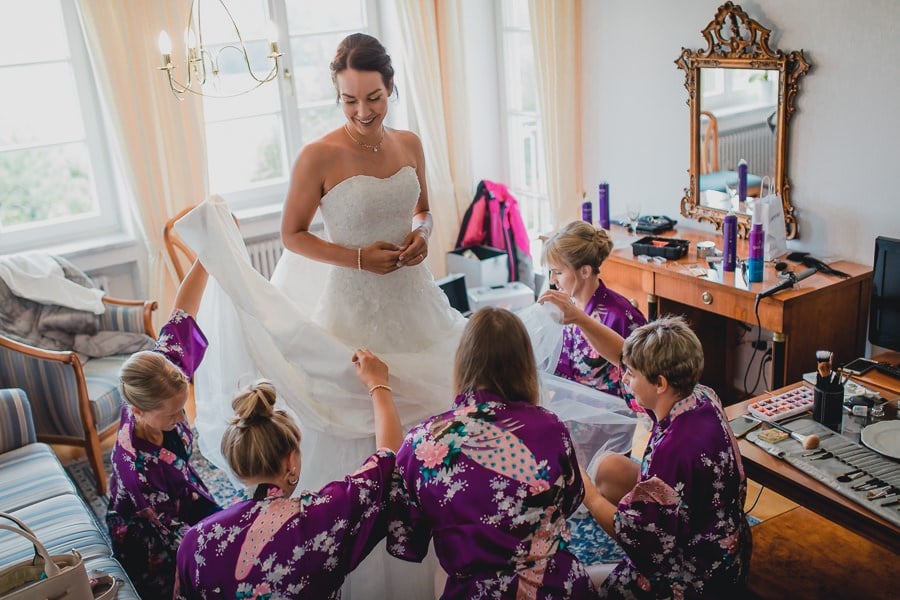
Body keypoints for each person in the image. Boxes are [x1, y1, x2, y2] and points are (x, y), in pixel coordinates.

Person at [387, 307, 596, 599]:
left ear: (462, 362)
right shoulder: (551, 427)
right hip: (557, 586)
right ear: (524, 363)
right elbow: (571, 497)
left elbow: (405, 533)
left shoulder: (421, 443)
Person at [175, 348, 402, 599]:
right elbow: (389, 459)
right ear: (292, 461)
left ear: (236, 465)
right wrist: (378, 384)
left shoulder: (196, 541)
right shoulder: (322, 517)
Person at [574, 315, 752, 598]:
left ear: (660, 383)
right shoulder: (702, 396)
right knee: (609, 467)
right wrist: (579, 317)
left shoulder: (673, 450)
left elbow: (644, 543)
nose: (625, 378)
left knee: (580, 585)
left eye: (631, 373)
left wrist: (589, 495)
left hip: (699, 575)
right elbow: (623, 356)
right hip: (729, 546)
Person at [106, 259, 221, 599]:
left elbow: (184, 309)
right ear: (138, 411)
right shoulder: (135, 468)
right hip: (152, 532)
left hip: (182, 491)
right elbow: (177, 534)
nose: (181, 418)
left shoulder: (164, 370)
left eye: (182, 407)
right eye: (172, 414)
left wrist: (206, 253)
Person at [541, 220, 646, 402]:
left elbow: (643, 376)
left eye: (558, 273)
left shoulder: (620, 316)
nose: (552, 281)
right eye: (551, 272)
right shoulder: (566, 307)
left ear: (585, 272)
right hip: (570, 405)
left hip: (607, 419)